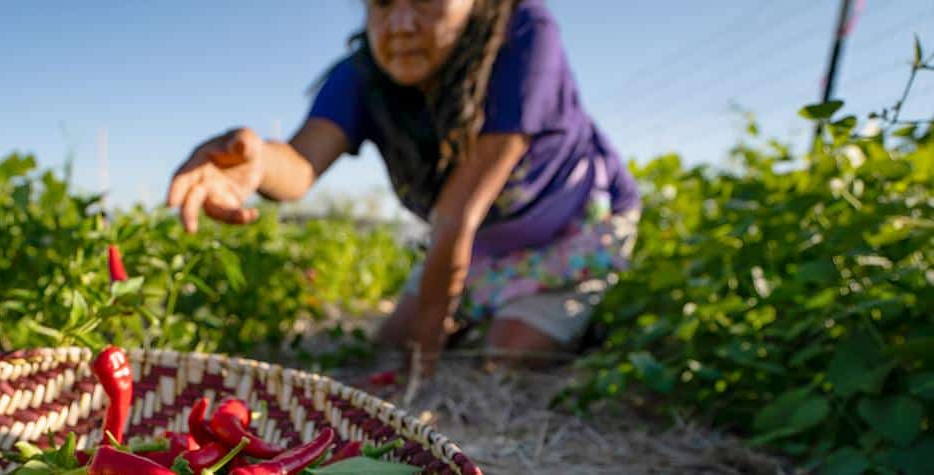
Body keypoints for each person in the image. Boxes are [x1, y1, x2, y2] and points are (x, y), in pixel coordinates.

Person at [166, 0, 640, 373]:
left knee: (506, 359)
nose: (401, 24)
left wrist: (423, 362)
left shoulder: (523, 34)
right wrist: (254, 160)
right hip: (480, 248)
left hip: (571, 230)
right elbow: (298, 164)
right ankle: (487, 312)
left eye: (425, 0)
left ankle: (583, 317)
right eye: (384, 3)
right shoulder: (359, 75)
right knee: (387, 343)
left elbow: (458, 215)